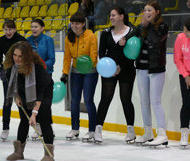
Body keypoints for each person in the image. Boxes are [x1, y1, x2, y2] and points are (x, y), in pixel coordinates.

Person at [124, 0, 169, 146]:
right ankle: (148, 132)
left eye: (150, 10)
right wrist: (138, 28)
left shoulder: (162, 27)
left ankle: (162, 134)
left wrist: (146, 26)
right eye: (145, 10)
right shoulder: (143, 26)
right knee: (144, 102)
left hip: (156, 69)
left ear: (157, 12)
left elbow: (156, 42)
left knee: (155, 102)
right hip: (141, 68)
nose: (147, 13)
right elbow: (130, 35)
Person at [5, 41, 55, 161]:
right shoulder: (11, 69)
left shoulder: (37, 69)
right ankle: (18, 152)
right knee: (23, 119)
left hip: (43, 92)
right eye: (15, 55)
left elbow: (40, 93)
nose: (16, 58)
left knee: (43, 119)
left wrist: (34, 113)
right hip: (24, 92)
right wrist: (17, 97)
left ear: (27, 57)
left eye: (20, 56)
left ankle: (49, 154)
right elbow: (13, 86)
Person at [94, 7, 136, 143]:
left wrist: (120, 67)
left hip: (127, 69)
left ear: (121, 16)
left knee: (126, 99)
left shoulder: (131, 32)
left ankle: (131, 131)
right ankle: (98, 130)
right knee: (105, 98)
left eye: (113, 15)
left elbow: (133, 54)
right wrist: (110, 68)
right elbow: (102, 53)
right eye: (110, 15)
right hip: (109, 71)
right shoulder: (106, 33)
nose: (111, 17)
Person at [60, 12, 98, 141]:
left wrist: (87, 65)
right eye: (73, 23)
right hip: (75, 72)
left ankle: (92, 130)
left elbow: (94, 56)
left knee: (88, 100)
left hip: (90, 71)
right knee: (74, 101)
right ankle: (75, 128)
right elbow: (67, 57)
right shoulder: (68, 37)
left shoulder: (91, 36)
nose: (74, 26)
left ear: (83, 24)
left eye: (77, 23)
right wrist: (65, 72)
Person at [0, 20, 26, 141]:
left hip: (20, 73)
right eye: (6, 30)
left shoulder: (21, 40)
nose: (8, 32)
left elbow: (27, 56)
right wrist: (1, 70)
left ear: (15, 29)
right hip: (7, 74)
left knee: (21, 100)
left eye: (10, 29)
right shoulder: (1, 40)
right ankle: (5, 128)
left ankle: (25, 126)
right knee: (7, 101)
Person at [26, 18, 55, 140]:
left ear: (42, 28)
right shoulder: (27, 40)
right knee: (34, 101)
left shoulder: (48, 40)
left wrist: (40, 67)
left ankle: (47, 126)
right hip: (31, 76)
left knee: (45, 103)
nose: (33, 29)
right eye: (32, 26)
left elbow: (51, 59)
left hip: (45, 75)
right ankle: (37, 126)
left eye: (36, 26)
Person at [174, 18, 190, 147]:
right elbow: (177, 59)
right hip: (185, 75)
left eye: (187, 31)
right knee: (187, 104)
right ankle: (184, 132)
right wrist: (186, 75)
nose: (185, 33)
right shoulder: (180, 38)